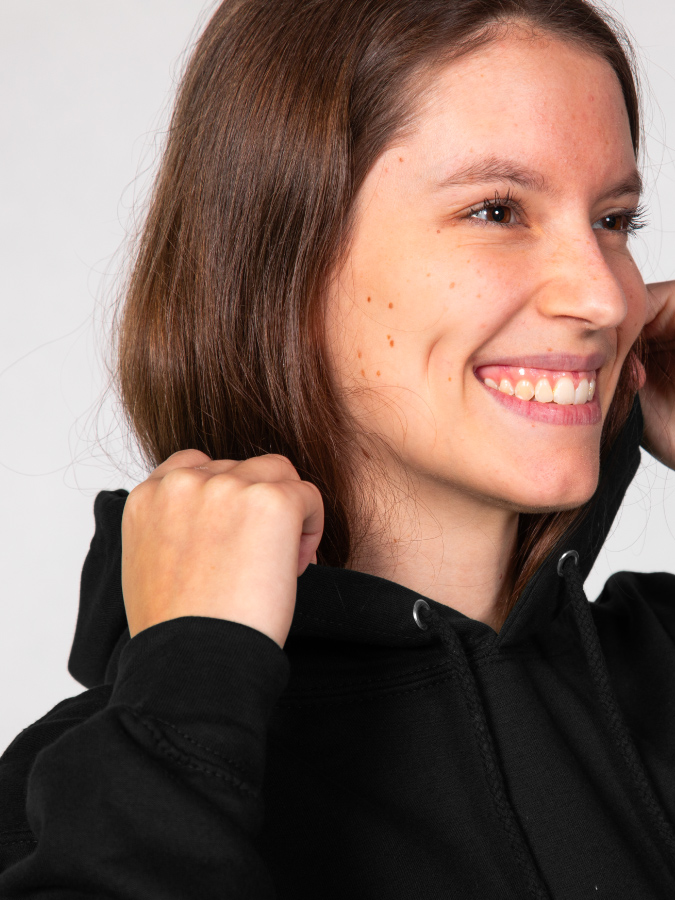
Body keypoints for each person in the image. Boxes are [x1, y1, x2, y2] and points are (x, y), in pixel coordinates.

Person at [1, 0, 675, 896]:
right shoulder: (85, 802)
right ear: (280, 255)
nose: (604, 298)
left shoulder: (657, 675)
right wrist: (190, 679)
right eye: (496, 210)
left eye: (613, 220)